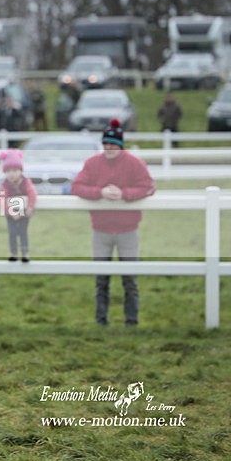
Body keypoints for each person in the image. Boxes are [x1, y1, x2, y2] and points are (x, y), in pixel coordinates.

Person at [71, 119, 156, 326]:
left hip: (128, 230)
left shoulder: (135, 164)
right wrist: (99, 193)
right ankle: (101, 321)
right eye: (106, 144)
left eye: (113, 144)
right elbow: (77, 187)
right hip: (100, 230)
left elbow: (148, 187)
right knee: (101, 279)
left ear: (121, 145)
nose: (109, 148)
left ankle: (131, 322)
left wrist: (124, 194)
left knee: (130, 279)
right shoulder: (92, 164)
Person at [0, 149, 37, 262]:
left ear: (20, 171)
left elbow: (32, 193)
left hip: (24, 212)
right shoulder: (4, 185)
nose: (11, 174)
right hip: (11, 213)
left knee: (23, 232)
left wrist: (30, 207)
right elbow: (1, 198)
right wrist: (11, 212)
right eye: (8, 171)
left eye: (14, 170)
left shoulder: (26, 182)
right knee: (12, 232)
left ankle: (25, 253)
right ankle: (13, 252)